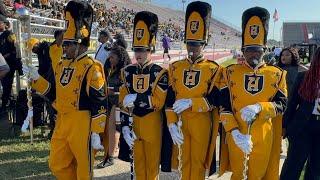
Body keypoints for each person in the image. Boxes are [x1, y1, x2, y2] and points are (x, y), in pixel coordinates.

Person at [22, 1, 107, 179]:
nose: (64, 48)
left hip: (82, 122)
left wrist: (97, 131)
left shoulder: (93, 67)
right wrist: (37, 80)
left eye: (68, 45)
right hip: (62, 120)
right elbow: (54, 93)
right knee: (57, 163)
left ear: (79, 44)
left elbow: (99, 100)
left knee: (84, 168)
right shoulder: (61, 65)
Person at [218, 7, 287, 180]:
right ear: (242, 50)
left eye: (257, 49)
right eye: (248, 49)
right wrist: (233, 131)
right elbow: (223, 106)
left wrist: (260, 107)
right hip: (237, 134)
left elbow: (282, 104)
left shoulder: (277, 73)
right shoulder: (229, 72)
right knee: (238, 175)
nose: (253, 53)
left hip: (264, 134)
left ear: (264, 49)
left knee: (258, 175)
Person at [164, 2, 221, 179]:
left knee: (197, 162)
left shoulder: (214, 68)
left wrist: (192, 102)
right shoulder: (174, 67)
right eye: (189, 43)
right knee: (182, 161)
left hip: (201, 121)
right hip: (180, 120)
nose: (192, 48)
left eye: (196, 44)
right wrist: (171, 122)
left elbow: (215, 99)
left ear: (204, 43)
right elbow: (169, 97)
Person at [118, 11, 168, 180]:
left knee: (152, 167)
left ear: (151, 49)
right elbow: (122, 101)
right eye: (136, 50)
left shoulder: (160, 73)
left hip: (153, 125)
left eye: (142, 50)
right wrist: (124, 126)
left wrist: (138, 99)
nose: (138, 54)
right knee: (138, 166)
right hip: (134, 126)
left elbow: (159, 102)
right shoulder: (126, 72)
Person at [280, 47, 320, 180]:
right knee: (293, 166)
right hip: (302, 127)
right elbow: (291, 104)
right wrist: (284, 126)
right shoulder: (304, 77)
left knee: (316, 169)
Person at [97, 45, 131, 168]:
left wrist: (112, 90)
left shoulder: (126, 70)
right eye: (109, 57)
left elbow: (126, 88)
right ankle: (111, 152)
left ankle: (110, 156)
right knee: (110, 129)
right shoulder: (110, 67)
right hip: (110, 102)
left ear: (120, 57)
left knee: (114, 129)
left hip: (120, 104)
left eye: (112, 57)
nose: (110, 59)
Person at [0, 14, 22, 112]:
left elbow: (15, 50)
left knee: (6, 85)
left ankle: (5, 105)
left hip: (8, 64)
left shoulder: (10, 34)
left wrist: (4, 57)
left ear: (4, 24)